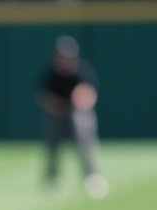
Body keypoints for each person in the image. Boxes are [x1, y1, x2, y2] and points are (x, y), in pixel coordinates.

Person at [37, 36, 107, 200]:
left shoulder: (81, 70)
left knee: (85, 144)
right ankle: (52, 178)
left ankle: (92, 177)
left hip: (79, 112)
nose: (65, 59)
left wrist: (78, 101)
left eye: (68, 56)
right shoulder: (51, 73)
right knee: (52, 145)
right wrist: (56, 105)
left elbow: (89, 95)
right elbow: (43, 96)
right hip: (57, 113)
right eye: (62, 56)